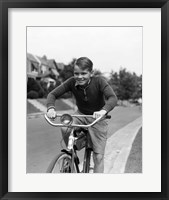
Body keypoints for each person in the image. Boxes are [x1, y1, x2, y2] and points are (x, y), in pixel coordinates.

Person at [46, 57, 118, 173]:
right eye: (76, 73)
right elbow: (52, 94)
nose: (79, 77)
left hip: (97, 118)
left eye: (83, 73)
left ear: (91, 73)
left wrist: (103, 111)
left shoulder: (99, 81)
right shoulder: (71, 82)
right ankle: (71, 154)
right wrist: (50, 108)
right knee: (64, 127)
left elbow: (113, 98)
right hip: (80, 115)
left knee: (98, 157)